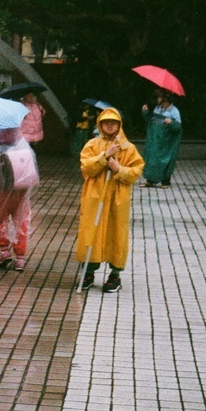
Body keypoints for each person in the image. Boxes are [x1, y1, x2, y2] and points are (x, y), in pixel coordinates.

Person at [77, 107, 144, 293]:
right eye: (105, 122)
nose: (109, 125)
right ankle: (88, 273)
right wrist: (104, 156)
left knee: (116, 234)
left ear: (118, 125)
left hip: (117, 198)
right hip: (95, 196)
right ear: (99, 124)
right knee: (92, 232)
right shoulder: (92, 144)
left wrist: (118, 168)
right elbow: (87, 168)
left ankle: (115, 275)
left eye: (113, 122)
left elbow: (135, 173)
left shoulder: (128, 148)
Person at [0, 127, 39, 272]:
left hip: (3, 189)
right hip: (21, 190)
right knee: (22, 222)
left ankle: (4, 251)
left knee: (2, 220)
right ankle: (20, 257)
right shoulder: (22, 143)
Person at [141, 92, 182, 188]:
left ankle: (165, 181)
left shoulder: (174, 111)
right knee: (152, 158)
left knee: (165, 159)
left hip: (166, 142)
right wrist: (145, 112)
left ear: (166, 99)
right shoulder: (157, 108)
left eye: (160, 97)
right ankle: (150, 180)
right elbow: (151, 121)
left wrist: (171, 122)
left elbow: (178, 128)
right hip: (155, 139)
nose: (158, 99)